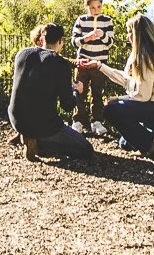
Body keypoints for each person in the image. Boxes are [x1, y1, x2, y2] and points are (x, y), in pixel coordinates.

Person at [88, 14, 154, 158]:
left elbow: (142, 96)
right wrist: (99, 66)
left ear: (138, 34)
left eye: (130, 32)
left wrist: (119, 99)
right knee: (124, 143)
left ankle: (150, 144)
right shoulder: (148, 52)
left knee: (111, 109)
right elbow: (128, 80)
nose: (128, 36)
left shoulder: (144, 56)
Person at [7, 22, 94, 161]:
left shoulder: (22, 54)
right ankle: (40, 145)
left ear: (42, 39)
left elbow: (42, 65)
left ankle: (26, 134)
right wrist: (77, 91)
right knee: (86, 149)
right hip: (44, 125)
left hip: (16, 119)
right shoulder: (60, 64)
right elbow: (68, 105)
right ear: (61, 41)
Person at [71, 0, 114, 137]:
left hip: (99, 64)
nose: (96, 11)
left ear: (102, 6)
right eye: (92, 8)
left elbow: (110, 44)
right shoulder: (81, 20)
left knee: (97, 93)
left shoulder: (107, 21)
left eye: (98, 7)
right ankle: (78, 121)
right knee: (79, 91)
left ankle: (96, 121)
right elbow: (74, 42)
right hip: (83, 63)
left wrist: (102, 36)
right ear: (86, 7)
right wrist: (86, 38)